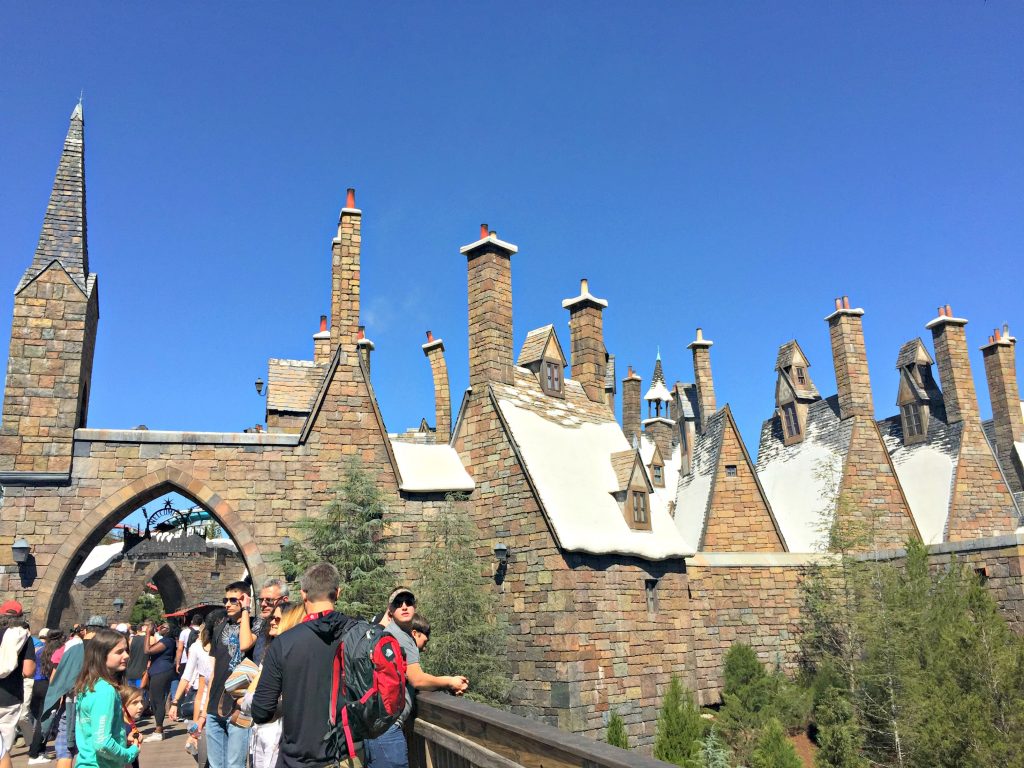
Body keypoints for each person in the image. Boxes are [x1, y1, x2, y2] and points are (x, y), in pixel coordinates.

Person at [252, 563, 359, 768]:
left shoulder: (284, 642)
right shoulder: (357, 634)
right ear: (338, 593)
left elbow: (261, 711)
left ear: (303, 594)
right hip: (347, 756)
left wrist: (291, 705)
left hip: (298, 758)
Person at [362, 588, 468, 768]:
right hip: (388, 731)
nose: (404, 606)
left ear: (414, 606)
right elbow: (417, 680)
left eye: (408, 602)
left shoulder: (386, 633)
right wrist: (450, 681)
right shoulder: (401, 638)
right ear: (390, 610)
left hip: (374, 729)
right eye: (398, 603)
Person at [242, 603, 304, 768]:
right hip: (262, 734)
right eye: (271, 618)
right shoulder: (270, 654)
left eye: (277, 618)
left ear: (292, 621)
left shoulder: (291, 658)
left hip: (278, 737)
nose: (272, 622)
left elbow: (251, 700)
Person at [44, 615, 107, 768]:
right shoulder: (105, 647)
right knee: (96, 751)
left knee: (65, 752)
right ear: (104, 631)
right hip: (97, 704)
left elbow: (57, 678)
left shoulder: (71, 647)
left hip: (70, 703)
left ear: (85, 630)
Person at [72, 628, 139, 768]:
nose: (126, 656)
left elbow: (93, 732)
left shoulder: (88, 685)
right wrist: (130, 754)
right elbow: (102, 742)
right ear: (101, 655)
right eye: (119, 652)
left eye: (126, 650)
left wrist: (122, 740)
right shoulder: (105, 690)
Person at [205, 582, 255, 768]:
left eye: (233, 600)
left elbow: (244, 645)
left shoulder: (256, 624)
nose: (227, 604)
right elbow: (215, 668)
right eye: (225, 600)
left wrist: (246, 611)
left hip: (237, 706)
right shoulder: (219, 628)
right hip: (214, 706)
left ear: (244, 600)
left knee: (235, 764)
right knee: (216, 765)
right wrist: (204, 709)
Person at [0, 601, 35, 761]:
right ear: (20, 617)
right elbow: (28, 671)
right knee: (4, 749)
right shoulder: (24, 637)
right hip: (10, 696)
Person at [26, 629, 64, 764]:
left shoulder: (41, 650)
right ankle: (35, 753)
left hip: (37, 685)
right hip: (48, 686)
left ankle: (38, 749)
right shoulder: (59, 652)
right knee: (46, 720)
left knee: (40, 719)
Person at [140, 619, 177, 741]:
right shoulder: (166, 640)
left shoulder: (167, 641)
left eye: (163, 627)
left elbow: (147, 650)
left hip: (161, 672)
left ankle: (158, 730)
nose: (160, 628)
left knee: (158, 700)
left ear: (168, 630)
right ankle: (158, 728)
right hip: (158, 671)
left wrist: (147, 633)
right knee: (155, 699)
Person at [251, 579, 289, 665]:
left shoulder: (293, 630)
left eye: (269, 600)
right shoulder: (261, 624)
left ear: (284, 600)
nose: (263, 604)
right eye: (261, 600)